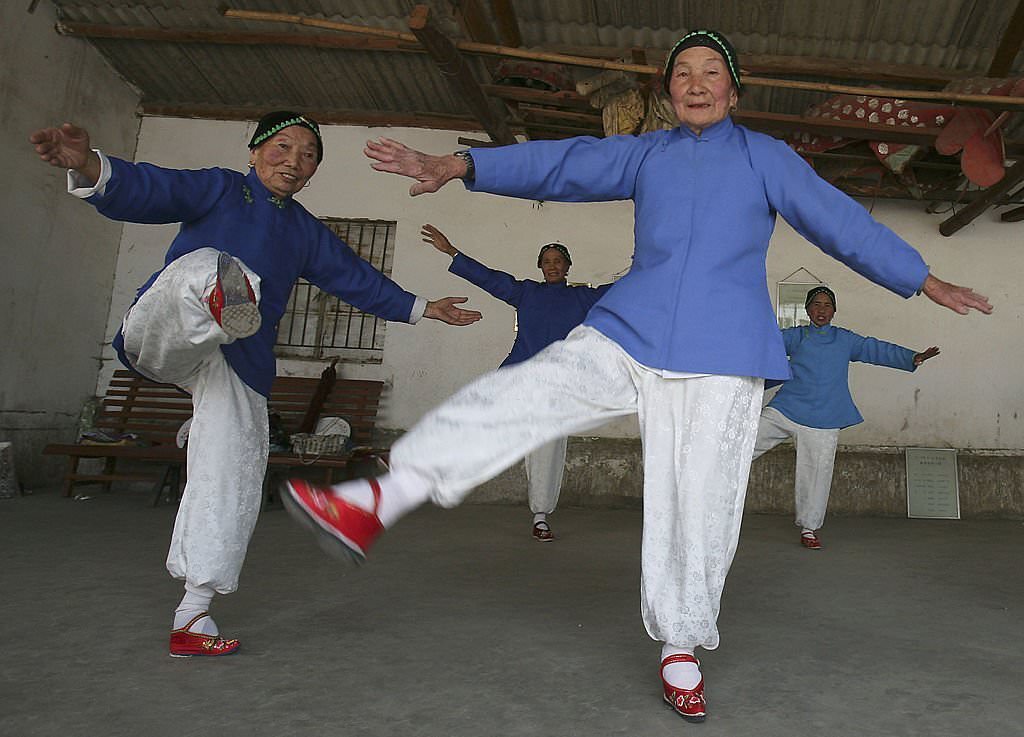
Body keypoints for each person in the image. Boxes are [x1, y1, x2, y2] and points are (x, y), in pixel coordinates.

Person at [281, 29, 991, 722]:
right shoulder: (647, 154)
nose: (696, 83)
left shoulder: (765, 158)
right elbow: (567, 163)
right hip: (635, 324)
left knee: (701, 496)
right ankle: (384, 493)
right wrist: (465, 166)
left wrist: (921, 278)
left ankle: (681, 647)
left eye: (711, 71)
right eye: (682, 73)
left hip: (724, 349)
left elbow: (839, 220)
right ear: (669, 93)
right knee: (534, 387)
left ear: (734, 90)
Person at [29, 112, 482, 658]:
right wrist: (90, 165)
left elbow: (353, 277)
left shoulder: (304, 230)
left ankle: (192, 616)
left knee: (235, 470)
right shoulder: (221, 189)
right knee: (208, 264)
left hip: (236, 360)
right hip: (165, 333)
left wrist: (423, 308)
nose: (294, 161)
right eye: (283, 147)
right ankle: (223, 298)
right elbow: (154, 187)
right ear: (254, 152)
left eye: (309, 155)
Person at [420, 223, 615, 541]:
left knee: (546, 449)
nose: (552, 266)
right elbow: (490, 279)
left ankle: (540, 516)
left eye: (558, 261)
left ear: (567, 267)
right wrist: (453, 252)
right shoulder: (526, 292)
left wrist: (651, 265)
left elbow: (622, 290)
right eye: (547, 261)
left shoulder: (583, 298)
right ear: (540, 267)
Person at [752, 286, 940, 550]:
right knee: (742, 443)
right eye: (816, 304)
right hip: (787, 409)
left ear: (834, 311)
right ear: (807, 309)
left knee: (817, 475)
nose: (821, 310)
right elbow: (763, 343)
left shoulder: (844, 340)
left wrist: (912, 357)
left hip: (826, 415)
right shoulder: (796, 336)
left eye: (827, 305)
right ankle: (707, 492)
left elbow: (876, 349)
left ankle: (809, 528)